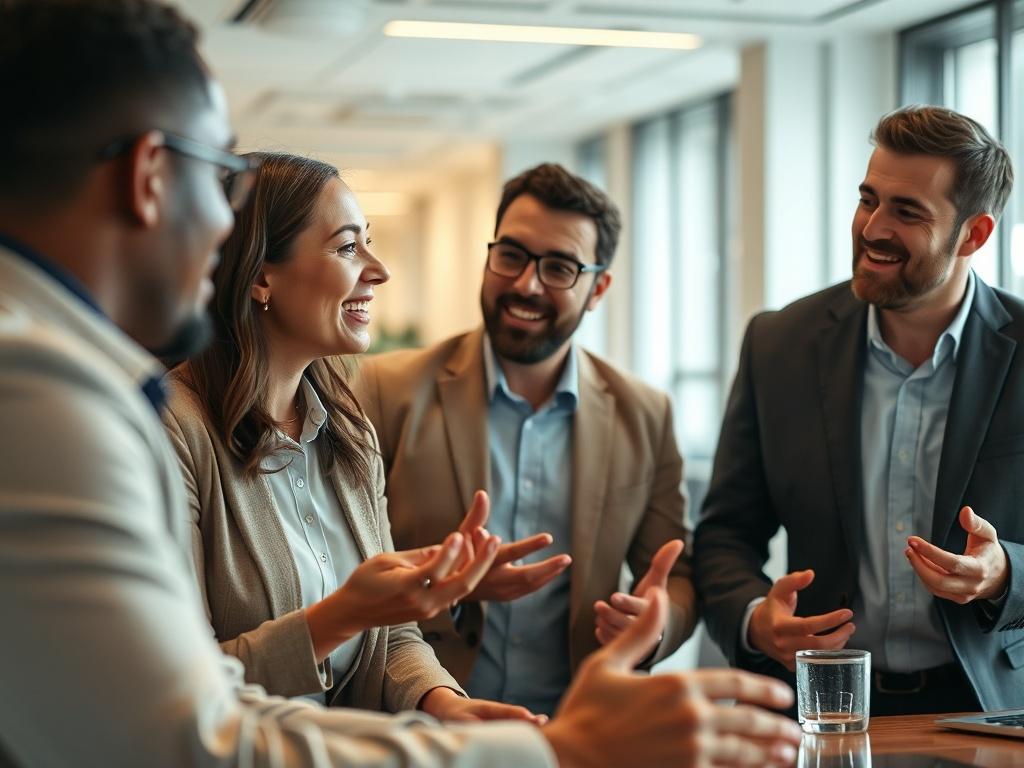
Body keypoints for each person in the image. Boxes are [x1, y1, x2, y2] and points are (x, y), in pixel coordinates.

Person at [0, 1, 805, 766]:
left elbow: (255, 691)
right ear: (149, 176)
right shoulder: (54, 398)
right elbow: (193, 737)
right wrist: (548, 752)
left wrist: (449, 707)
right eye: (214, 183)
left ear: (597, 286)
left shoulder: (339, 419)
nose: (221, 225)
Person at [163, 150, 539, 722]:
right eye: (346, 247)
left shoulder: (349, 430)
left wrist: (443, 704)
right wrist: (339, 616)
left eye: (368, 240)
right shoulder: (174, 430)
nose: (378, 269)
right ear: (261, 275)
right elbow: (174, 686)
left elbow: (392, 638)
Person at [694, 105, 1023, 716]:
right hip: (819, 709)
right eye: (868, 199)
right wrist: (755, 620)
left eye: (907, 212)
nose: (872, 227)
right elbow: (723, 536)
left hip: (990, 711)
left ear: (974, 235)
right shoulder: (779, 344)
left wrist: (1004, 573)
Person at [354, 163, 696, 716]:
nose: (526, 284)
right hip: (423, 724)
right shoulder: (385, 390)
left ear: (598, 288)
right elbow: (344, 568)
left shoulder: (644, 413)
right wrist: (449, 588)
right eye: (511, 255)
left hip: (576, 727)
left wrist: (655, 622)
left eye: (559, 267)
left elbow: (677, 575)